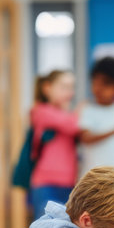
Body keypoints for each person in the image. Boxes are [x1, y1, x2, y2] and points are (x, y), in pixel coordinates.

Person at [30, 70, 80, 220]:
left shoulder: (68, 113)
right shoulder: (40, 111)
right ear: (47, 88)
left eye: (71, 87)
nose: (70, 93)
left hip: (69, 182)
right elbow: (75, 125)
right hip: (46, 182)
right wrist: (81, 111)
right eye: (64, 87)